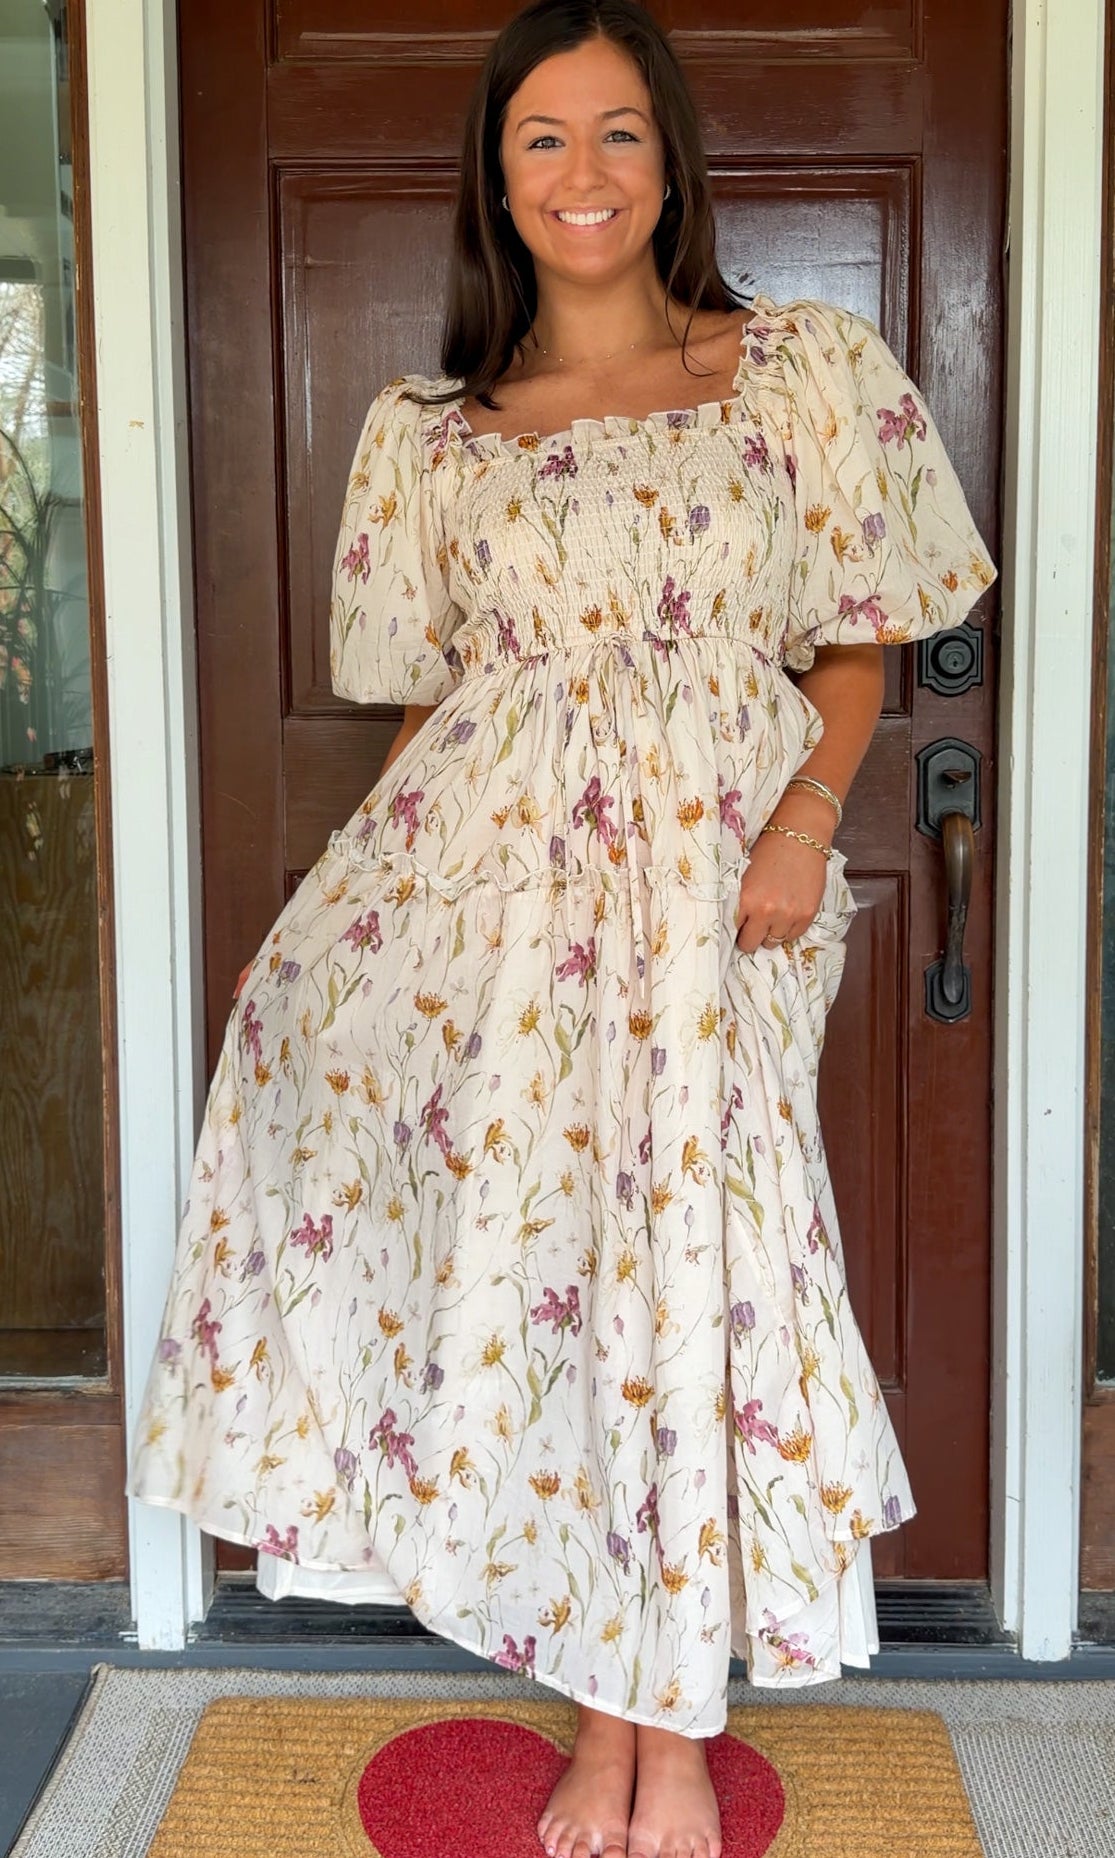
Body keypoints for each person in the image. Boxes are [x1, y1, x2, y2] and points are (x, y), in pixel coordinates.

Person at [128, 2, 997, 1853]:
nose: (582, 172)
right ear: (496, 176)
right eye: (542, 137)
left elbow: (859, 644)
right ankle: (622, 1717)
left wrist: (804, 823)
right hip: (496, 907)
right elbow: (438, 713)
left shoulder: (797, 370)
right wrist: (332, 950)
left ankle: (667, 1721)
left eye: (617, 132)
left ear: (670, 160)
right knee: (561, 1279)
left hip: (726, 891)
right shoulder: (431, 436)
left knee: (693, 1265)